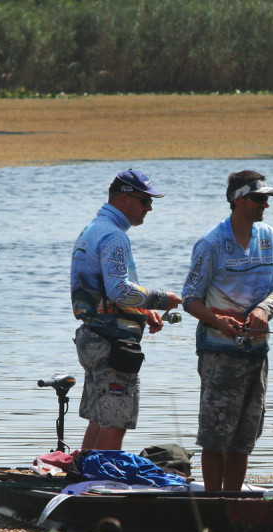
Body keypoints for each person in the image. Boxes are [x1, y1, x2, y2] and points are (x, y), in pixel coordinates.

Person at [181, 170, 273, 491]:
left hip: (257, 354)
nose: (264, 205)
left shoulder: (270, 238)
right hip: (218, 354)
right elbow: (189, 298)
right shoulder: (211, 243)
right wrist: (218, 322)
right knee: (215, 437)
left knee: (243, 438)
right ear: (238, 201)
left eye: (266, 199)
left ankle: (233, 502)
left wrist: (262, 310)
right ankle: (214, 504)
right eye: (258, 198)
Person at [70, 168, 182, 450]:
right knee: (115, 420)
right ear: (124, 199)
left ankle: (85, 481)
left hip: (92, 337)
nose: (150, 207)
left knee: (98, 419)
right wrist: (160, 299)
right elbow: (119, 289)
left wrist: (144, 311)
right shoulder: (114, 236)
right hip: (112, 345)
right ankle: (102, 487)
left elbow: (105, 292)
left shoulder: (91, 229)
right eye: (145, 201)